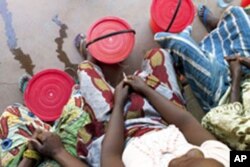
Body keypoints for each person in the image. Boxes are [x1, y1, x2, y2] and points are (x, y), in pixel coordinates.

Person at [0, 47, 230, 166]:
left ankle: (90, 63)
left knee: (86, 72)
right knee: (157, 55)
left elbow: (111, 154)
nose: (192, 149)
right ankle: (105, 69)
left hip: (111, 132)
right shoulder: (222, 160)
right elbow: (185, 121)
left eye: (186, 161)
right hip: (157, 120)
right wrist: (145, 90)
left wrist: (119, 104)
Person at [154, 5, 250, 112]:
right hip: (245, 73)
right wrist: (243, 60)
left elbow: (232, 117)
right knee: (237, 13)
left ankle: (186, 62)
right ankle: (215, 28)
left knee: (181, 45)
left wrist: (236, 76)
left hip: (225, 95)